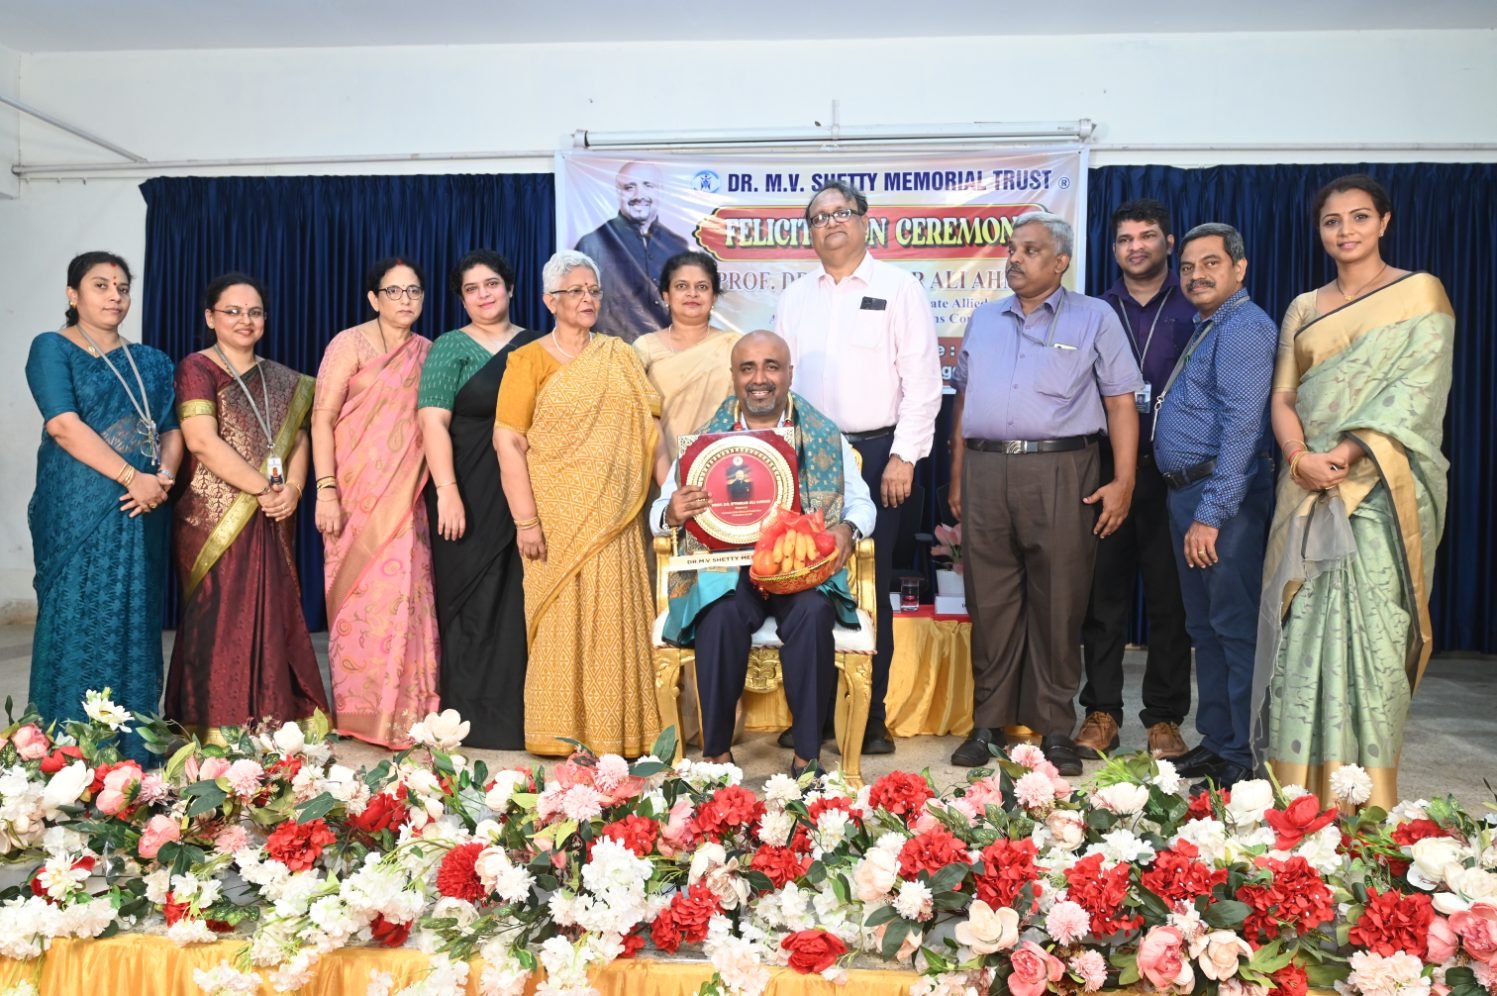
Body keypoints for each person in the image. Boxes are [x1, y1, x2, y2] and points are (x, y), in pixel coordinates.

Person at [1257, 175, 1455, 809]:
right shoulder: (1303, 307)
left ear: (1384, 222)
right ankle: (1293, 795)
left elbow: (1417, 393)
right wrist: (1299, 458)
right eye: (1332, 221)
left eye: (1359, 217)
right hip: (1306, 488)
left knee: (1371, 632)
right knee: (1302, 633)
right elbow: (1283, 397)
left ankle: (1366, 797)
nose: (1345, 231)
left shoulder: (1419, 294)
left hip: (1377, 490)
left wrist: (1342, 456)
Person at [948, 212, 1142, 776]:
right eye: (1012, 249)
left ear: (1060, 262)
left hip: (1062, 470)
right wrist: (959, 473)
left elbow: (1121, 402)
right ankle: (988, 725)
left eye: (1030, 250)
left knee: (1060, 602)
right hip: (986, 471)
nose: (1015, 258)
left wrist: (1123, 480)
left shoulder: (1094, 317)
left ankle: (1056, 728)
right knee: (989, 601)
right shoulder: (984, 320)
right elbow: (962, 403)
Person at [651, 331, 877, 777]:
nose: (760, 378)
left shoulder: (823, 436)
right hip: (726, 569)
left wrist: (849, 529)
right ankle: (716, 756)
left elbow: (862, 503)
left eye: (771, 366)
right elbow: (660, 510)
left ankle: (806, 757)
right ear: (733, 376)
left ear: (789, 374)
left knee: (813, 613)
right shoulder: (705, 442)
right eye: (748, 368)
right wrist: (671, 512)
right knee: (719, 614)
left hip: (799, 567)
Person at [773, 180, 943, 756]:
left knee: (870, 586)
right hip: (808, 455)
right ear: (810, 232)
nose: (831, 223)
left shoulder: (900, 288)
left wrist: (904, 456)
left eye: (842, 212)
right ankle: (813, 713)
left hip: (879, 455)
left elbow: (923, 383)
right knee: (805, 582)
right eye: (819, 217)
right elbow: (781, 382)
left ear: (865, 220)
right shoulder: (795, 296)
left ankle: (871, 717)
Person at [495, 249, 663, 757]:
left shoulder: (620, 356)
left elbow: (651, 432)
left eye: (593, 291)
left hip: (616, 516)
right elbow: (509, 441)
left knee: (615, 618)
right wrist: (526, 521)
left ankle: (621, 732)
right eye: (577, 291)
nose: (588, 299)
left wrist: (671, 496)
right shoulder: (527, 360)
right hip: (554, 517)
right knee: (561, 622)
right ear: (550, 301)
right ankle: (559, 733)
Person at [25, 251, 183, 756]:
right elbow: (63, 426)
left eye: (121, 286)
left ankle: (133, 748)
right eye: (100, 286)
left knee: (133, 615)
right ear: (73, 295)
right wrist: (130, 476)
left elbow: (171, 430)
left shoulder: (152, 361)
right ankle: (64, 749)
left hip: (143, 509)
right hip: (77, 506)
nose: (115, 296)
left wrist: (161, 479)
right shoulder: (52, 348)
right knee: (76, 614)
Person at [166, 273, 328, 737]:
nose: (245, 320)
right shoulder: (196, 368)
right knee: (219, 615)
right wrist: (261, 488)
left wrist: (294, 489)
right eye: (233, 311)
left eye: (254, 312)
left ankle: (278, 718)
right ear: (210, 317)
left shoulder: (285, 380)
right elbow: (200, 441)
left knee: (273, 610)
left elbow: (300, 439)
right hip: (211, 517)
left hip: (274, 510)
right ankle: (215, 723)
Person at [1153, 223, 1278, 793]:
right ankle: (1217, 741)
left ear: (1240, 268)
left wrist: (1212, 512)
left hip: (1222, 500)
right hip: (1191, 495)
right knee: (1204, 627)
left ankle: (1244, 752)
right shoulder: (1211, 326)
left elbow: (1243, 429)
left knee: (1232, 625)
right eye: (1187, 267)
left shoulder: (1246, 328)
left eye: (1210, 264)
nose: (1196, 276)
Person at [1076, 199, 1197, 761]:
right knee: (1103, 599)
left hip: (1177, 474)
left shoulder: (1197, 306)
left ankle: (1165, 719)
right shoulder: (1094, 311)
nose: (1136, 247)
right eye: (1125, 239)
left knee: (1172, 602)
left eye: (1148, 236)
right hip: (1106, 472)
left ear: (1169, 243)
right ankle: (1101, 712)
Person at [312, 257, 441, 748]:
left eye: (414, 291)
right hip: (352, 495)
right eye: (394, 291)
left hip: (406, 497)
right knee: (359, 605)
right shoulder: (349, 343)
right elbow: (322, 419)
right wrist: (326, 489)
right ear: (373, 298)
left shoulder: (429, 352)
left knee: (406, 600)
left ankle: (411, 714)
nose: (405, 300)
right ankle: (361, 713)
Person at [417, 250, 542, 750]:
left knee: (520, 602)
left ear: (510, 288)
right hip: (464, 489)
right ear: (462, 298)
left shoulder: (537, 346)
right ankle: (465, 721)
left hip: (528, 492)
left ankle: (522, 721)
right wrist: (446, 491)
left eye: (493, 284)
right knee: (469, 603)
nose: (485, 294)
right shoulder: (450, 347)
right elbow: (432, 422)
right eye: (472, 288)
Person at [633, 251, 742, 464]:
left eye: (702, 287)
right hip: (660, 469)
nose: (692, 294)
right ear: (666, 295)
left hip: (724, 466)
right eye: (681, 286)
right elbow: (638, 419)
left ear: (714, 297)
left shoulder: (735, 346)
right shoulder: (644, 347)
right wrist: (666, 485)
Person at [575, 162, 691, 342]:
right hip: (611, 358)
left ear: (660, 190)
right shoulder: (592, 245)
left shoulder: (679, 247)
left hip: (669, 357)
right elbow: (575, 308)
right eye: (629, 187)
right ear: (618, 192)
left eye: (648, 185)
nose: (639, 195)